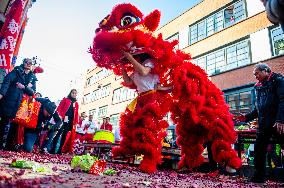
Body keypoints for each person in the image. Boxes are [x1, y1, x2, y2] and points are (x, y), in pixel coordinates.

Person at [112, 50, 173, 173]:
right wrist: (122, 68)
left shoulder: (149, 62)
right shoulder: (136, 68)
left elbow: (144, 72)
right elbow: (129, 82)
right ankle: (129, 152)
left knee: (148, 130)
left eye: (135, 55)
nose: (133, 57)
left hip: (151, 98)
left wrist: (129, 58)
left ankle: (149, 160)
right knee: (134, 127)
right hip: (141, 99)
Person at [237, 63, 284, 183]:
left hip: (277, 122)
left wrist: (280, 120)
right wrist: (246, 117)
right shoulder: (258, 87)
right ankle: (259, 177)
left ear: (266, 71)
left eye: (257, 73)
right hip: (264, 124)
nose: (255, 76)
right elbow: (258, 108)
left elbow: (283, 100)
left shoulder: (278, 81)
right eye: (254, 74)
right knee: (259, 150)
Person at [0, 58, 37, 149]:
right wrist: (1, 93)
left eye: (30, 63)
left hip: (22, 105)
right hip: (10, 99)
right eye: (27, 62)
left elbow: (33, 92)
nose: (28, 64)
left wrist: (24, 87)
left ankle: (9, 146)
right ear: (23, 63)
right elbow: (7, 81)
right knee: (3, 122)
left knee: (15, 125)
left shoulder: (32, 77)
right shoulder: (16, 71)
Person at [51, 89, 79, 154]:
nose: (74, 94)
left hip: (69, 122)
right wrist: (59, 117)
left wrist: (75, 122)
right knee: (58, 133)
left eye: (75, 93)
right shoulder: (65, 99)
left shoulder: (76, 103)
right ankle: (53, 149)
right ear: (70, 93)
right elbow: (59, 108)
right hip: (62, 119)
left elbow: (76, 113)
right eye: (73, 93)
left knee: (65, 135)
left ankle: (60, 150)